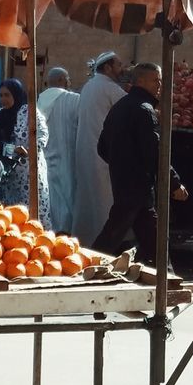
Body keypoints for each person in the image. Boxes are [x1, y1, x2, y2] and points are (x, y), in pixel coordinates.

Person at [92, 62, 188, 265]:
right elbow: (154, 152)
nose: (160, 85)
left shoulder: (119, 107)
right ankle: (86, 267)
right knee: (113, 234)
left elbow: (102, 147)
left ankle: (167, 277)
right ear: (141, 81)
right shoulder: (144, 110)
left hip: (127, 184)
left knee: (150, 236)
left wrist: (120, 164)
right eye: (156, 80)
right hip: (137, 186)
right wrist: (174, 183)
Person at [72, 51, 126, 244]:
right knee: (105, 200)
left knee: (88, 198)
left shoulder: (88, 87)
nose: (122, 69)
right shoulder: (109, 87)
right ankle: (104, 243)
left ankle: (85, 239)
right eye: (119, 65)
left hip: (86, 152)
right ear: (108, 67)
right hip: (102, 154)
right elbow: (131, 111)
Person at [0, 78, 50, 221]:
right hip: (4, 178)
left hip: (28, 176)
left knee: (31, 218)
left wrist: (28, 149)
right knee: (8, 219)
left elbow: (42, 136)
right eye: (1, 95)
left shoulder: (30, 114)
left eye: (7, 95)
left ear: (16, 94)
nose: (3, 99)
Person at [37, 66, 81, 232]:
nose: (70, 82)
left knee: (50, 198)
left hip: (45, 158)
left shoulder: (39, 100)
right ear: (63, 80)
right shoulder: (74, 99)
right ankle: (65, 234)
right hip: (67, 158)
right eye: (68, 79)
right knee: (68, 197)